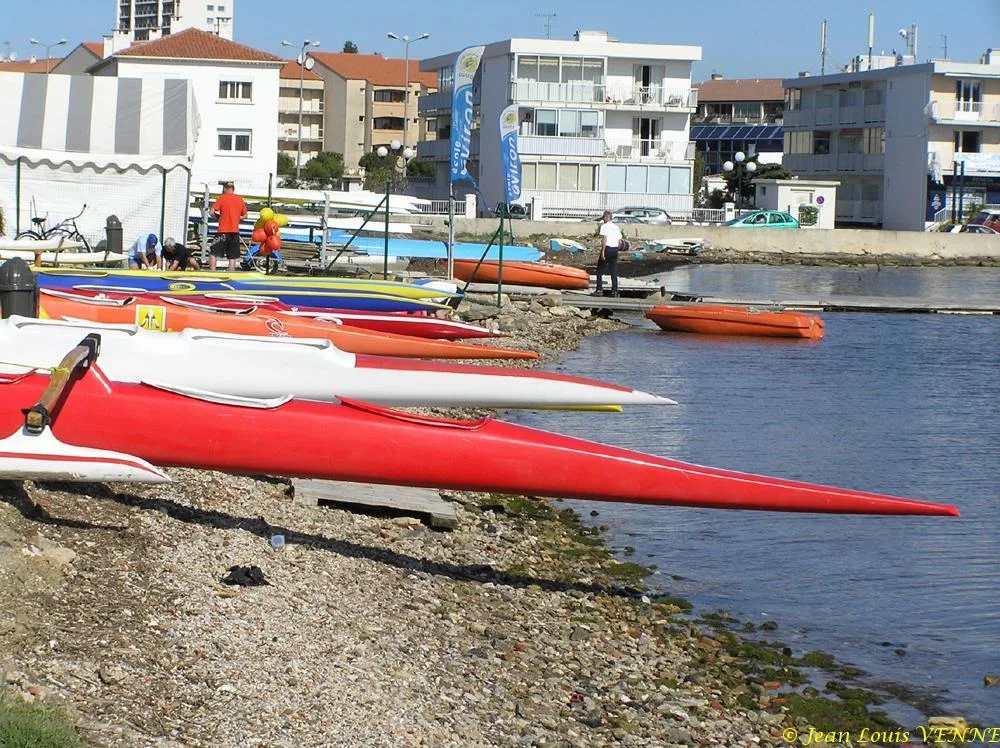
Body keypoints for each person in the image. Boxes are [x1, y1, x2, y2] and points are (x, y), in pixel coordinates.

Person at [210, 180, 247, 271]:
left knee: (213, 252)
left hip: (223, 231)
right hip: (234, 231)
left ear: (225, 188)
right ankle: (231, 273)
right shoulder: (240, 199)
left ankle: (212, 272)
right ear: (233, 189)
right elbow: (245, 216)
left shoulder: (222, 198)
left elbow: (211, 212)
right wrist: (237, 219)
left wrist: (219, 217)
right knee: (232, 256)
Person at [596, 210, 621, 296]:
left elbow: (604, 239)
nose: (603, 219)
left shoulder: (604, 226)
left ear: (607, 217)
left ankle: (599, 290)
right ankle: (615, 291)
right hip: (615, 249)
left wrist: (603, 251)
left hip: (607, 248)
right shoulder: (616, 227)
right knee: (614, 270)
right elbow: (619, 241)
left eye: (604, 217)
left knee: (599, 270)